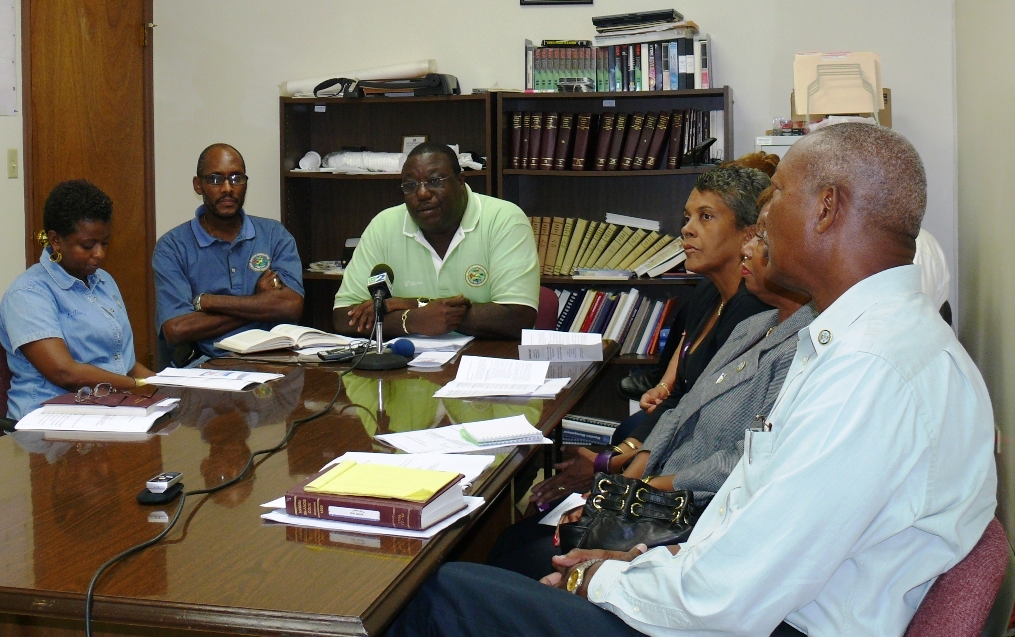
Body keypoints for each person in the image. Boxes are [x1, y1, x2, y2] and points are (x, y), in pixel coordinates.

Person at [387, 123, 996, 637]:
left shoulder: (870, 373)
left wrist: (601, 577)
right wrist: (653, 558)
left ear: (827, 208)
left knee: (431, 595)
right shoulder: (873, 342)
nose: (762, 215)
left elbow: (725, 601)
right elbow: (755, 532)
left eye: (776, 194)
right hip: (739, 598)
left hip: (753, 625)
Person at [488, 199, 814, 580]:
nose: (747, 249)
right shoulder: (753, 326)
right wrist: (624, 484)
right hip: (653, 498)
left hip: (688, 521)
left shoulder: (804, 345)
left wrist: (638, 489)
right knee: (512, 541)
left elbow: (745, 459)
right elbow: (681, 408)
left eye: (760, 240)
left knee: (509, 559)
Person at [530, 165, 772, 510]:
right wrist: (616, 458)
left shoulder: (753, 312)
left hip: (688, 483)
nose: (687, 229)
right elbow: (673, 394)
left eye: (706, 217)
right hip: (663, 451)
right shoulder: (705, 295)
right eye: (687, 217)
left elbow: (696, 418)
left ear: (749, 235)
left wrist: (610, 469)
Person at [332, 142, 538, 340]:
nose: (422, 193)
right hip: (407, 366)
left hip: (485, 365)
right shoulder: (384, 225)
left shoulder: (503, 219)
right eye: (410, 185)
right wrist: (411, 320)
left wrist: (415, 305)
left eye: (435, 181)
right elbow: (343, 317)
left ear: (460, 181)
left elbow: (518, 317)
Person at [0, 180, 156, 420]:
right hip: (46, 426)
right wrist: (140, 386)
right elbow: (65, 373)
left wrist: (167, 386)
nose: (100, 254)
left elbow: (126, 364)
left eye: (104, 243)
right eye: (88, 245)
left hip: (111, 411)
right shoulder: (28, 293)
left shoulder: (104, 281)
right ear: (55, 240)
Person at [153, 143, 305, 362]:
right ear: (198, 185)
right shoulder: (172, 247)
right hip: (208, 365)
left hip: (276, 360)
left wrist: (208, 302)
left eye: (236, 178)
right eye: (215, 179)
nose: (227, 188)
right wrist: (259, 302)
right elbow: (176, 329)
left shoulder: (274, 235)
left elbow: (290, 306)